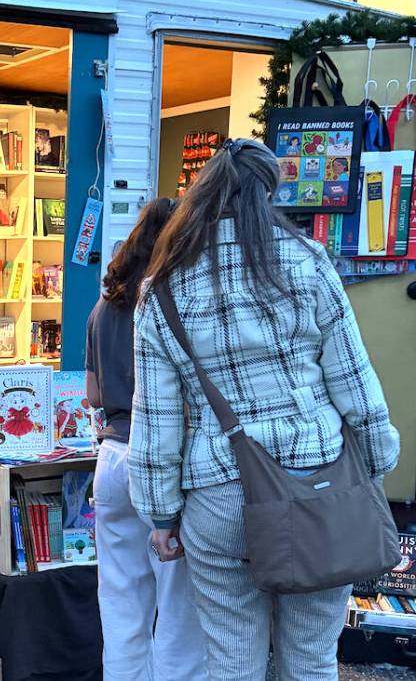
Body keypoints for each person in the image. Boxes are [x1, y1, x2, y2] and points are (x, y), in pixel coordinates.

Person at [128, 138, 400, 680]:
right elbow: (353, 379)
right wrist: (374, 460)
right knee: (313, 660)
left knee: (230, 661)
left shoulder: (162, 288)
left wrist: (160, 514)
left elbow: (155, 420)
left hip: (219, 493)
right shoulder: (307, 262)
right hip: (318, 485)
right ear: (268, 190)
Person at [86, 197, 208, 681]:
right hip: (163, 458)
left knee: (119, 603)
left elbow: (93, 394)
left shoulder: (103, 306)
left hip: (111, 456)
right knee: (180, 613)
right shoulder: (176, 298)